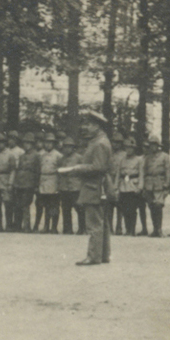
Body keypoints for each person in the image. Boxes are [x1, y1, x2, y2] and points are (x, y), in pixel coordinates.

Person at [60, 111, 113, 265]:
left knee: (94, 223)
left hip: (94, 186)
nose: (85, 127)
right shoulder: (99, 141)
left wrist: (76, 168)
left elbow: (98, 167)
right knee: (101, 222)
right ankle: (103, 255)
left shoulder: (99, 143)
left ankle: (93, 256)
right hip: (97, 186)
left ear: (96, 126)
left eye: (88, 124)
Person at [143, 138, 170, 237]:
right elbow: (144, 172)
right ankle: (155, 229)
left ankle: (159, 229)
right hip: (149, 184)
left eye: (154, 145)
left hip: (160, 183)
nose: (152, 147)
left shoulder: (164, 156)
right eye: (151, 145)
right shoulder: (147, 158)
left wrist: (167, 184)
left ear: (158, 146)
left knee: (158, 206)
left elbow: (168, 171)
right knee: (151, 206)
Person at [116, 139, 144, 236]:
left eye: (131, 148)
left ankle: (132, 230)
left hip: (133, 186)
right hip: (123, 186)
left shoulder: (139, 160)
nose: (129, 150)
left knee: (132, 209)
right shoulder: (122, 160)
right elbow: (118, 174)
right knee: (125, 209)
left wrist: (140, 187)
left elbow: (141, 174)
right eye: (127, 148)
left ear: (134, 149)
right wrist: (116, 187)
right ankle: (127, 229)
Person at [12, 133, 39, 232]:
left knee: (25, 204)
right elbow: (18, 169)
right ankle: (18, 226)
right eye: (25, 143)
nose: (26, 145)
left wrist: (36, 185)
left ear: (32, 144)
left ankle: (27, 227)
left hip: (29, 183)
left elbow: (37, 171)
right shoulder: (22, 156)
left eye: (29, 143)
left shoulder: (36, 156)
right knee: (18, 204)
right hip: (19, 183)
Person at [57, 135, 82, 235]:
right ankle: (67, 229)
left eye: (69, 147)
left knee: (79, 208)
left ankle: (82, 228)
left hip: (75, 186)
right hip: (64, 186)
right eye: (65, 147)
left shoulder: (79, 158)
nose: (67, 149)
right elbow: (58, 171)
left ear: (73, 148)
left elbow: (82, 172)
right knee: (65, 209)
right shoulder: (61, 159)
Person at [37, 134, 61, 233]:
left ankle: (54, 227)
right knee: (46, 205)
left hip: (53, 179)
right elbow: (39, 169)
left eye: (50, 143)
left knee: (54, 205)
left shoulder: (58, 155)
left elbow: (60, 170)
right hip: (44, 180)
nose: (48, 145)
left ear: (54, 144)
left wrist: (59, 184)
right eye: (46, 142)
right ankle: (46, 226)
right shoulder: (41, 154)